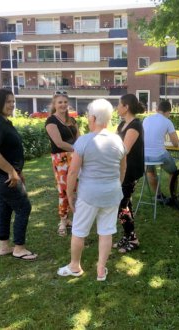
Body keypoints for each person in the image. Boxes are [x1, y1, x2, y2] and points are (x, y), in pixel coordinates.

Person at [57, 99, 126, 279]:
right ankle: (101, 269)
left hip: (89, 194)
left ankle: (74, 267)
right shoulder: (118, 140)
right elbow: (123, 167)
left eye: (88, 115)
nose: (88, 118)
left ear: (93, 117)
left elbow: (72, 172)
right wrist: (117, 184)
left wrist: (70, 194)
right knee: (106, 231)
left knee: (79, 231)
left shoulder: (84, 141)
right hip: (112, 193)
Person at [0, 88, 37, 260]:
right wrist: (11, 172)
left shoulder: (3, 121)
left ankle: (4, 247)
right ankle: (19, 248)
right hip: (1, 174)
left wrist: (17, 171)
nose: (12, 105)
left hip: (5, 173)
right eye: (8, 101)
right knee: (23, 207)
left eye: (13, 101)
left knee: (5, 208)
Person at [45, 91, 80, 236]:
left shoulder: (72, 120)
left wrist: (80, 150)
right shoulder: (51, 121)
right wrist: (77, 150)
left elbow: (79, 137)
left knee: (76, 188)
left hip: (76, 157)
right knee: (64, 190)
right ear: (54, 105)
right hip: (61, 159)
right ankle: (63, 220)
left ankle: (73, 219)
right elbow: (58, 142)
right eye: (60, 102)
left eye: (65, 102)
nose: (63, 105)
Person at [114, 94, 145, 253]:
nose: (117, 107)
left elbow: (123, 150)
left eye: (119, 105)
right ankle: (127, 236)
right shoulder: (122, 125)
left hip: (130, 170)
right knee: (125, 202)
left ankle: (133, 239)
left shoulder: (135, 125)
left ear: (126, 107)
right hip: (122, 169)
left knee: (122, 205)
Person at [142, 100, 179, 203]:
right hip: (159, 155)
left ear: (157, 110)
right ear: (168, 112)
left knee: (150, 171)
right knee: (173, 172)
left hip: (144, 155)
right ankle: (173, 196)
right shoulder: (167, 121)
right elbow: (176, 143)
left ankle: (158, 196)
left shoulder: (146, 119)